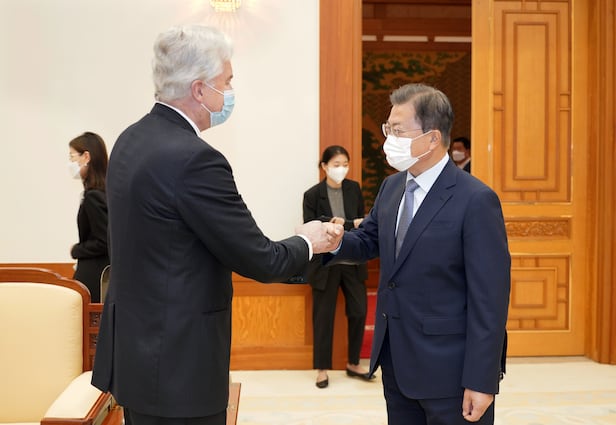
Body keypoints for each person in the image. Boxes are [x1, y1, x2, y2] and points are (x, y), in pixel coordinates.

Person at [91, 24, 342, 425]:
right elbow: (262, 259)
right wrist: (307, 241)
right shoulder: (195, 159)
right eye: (226, 81)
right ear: (199, 89)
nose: (229, 91)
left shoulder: (129, 140)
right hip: (179, 370)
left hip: (135, 359)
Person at [326, 83, 510, 424]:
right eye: (388, 129)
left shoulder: (475, 199)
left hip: (450, 371)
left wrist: (482, 380)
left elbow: (490, 299)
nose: (389, 140)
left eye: (398, 131)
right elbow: (368, 240)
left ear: (432, 138)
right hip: (396, 361)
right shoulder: (392, 186)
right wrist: (332, 241)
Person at [302, 145, 374, 389]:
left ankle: (353, 363)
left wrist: (343, 223)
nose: (341, 169)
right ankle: (321, 369)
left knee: (359, 311)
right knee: (323, 316)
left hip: (352, 259)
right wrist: (347, 223)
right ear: (324, 166)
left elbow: (362, 225)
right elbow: (312, 227)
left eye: (345, 164)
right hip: (326, 262)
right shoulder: (312, 195)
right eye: (336, 164)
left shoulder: (354, 189)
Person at [68, 131, 109, 303]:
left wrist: (76, 250)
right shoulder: (106, 192)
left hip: (95, 276)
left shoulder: (93, 196)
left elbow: (104, 241)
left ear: (86, 157)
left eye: (72, 157)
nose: (70, 163)